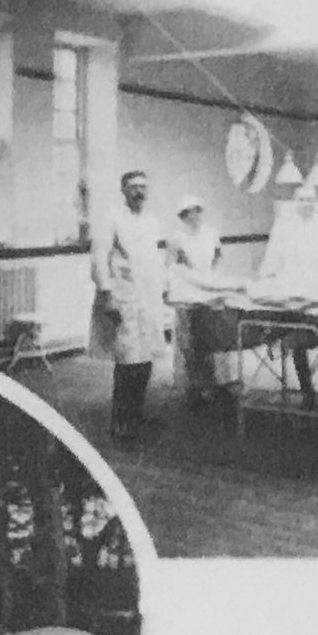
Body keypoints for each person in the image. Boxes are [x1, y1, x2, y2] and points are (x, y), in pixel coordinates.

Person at [89, 170, 172, 444]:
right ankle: (120, 419)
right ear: (123, 191)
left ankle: (136, 412)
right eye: (133, 187)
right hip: (122, 297)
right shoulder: (112, 217)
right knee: (127, 360)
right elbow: (100, 256)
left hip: (148, 297)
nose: (139, 192)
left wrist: (164, 288)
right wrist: (107, 293)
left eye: (143, 187)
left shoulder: (151, 220)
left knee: (146, 356)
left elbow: (154, 258)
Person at [167, 196, 243, 408]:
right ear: (182, 215)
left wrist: (213, 277)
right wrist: (186, 280)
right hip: (188, 294)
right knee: (191, 342)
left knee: (215, 338)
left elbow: (218, 256)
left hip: (210, 291)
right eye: (189, 212)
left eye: (197, 211)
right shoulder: (176, 238)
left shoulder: (210, 233)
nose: (194, 216)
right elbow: (171, 267)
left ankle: (220, 385)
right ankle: (195, 387)